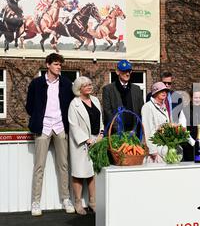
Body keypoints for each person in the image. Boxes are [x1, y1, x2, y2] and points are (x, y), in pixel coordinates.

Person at [25, 53, 75, 216]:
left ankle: (66, 199)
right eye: (55, 64)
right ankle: (36, 202)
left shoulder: (67, 84)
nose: (59, 67)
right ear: (47, 65)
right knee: (39, 166)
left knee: (64, 165)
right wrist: (39, 118)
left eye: (60, 64)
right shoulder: (37, 83)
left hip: (60, 127)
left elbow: (71, 105)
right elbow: (29, 106)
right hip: (43, 127)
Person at [68, 76, 103, 215]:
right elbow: (73, 125)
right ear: (79, 89)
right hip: (82, 143)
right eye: (86, 85)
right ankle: (78, 202)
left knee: (92, 172)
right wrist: (86, 140)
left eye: (90, 84)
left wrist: (101, 134)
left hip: (96, 139)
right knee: (79, 173)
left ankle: (93, 202)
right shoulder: (74, 104)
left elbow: (100, 119)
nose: (90, 86)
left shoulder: (95, 100)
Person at [102, 60, 144, 133]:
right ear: (117, 72)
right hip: (116, 133)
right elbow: (108, 112)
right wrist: (118, 129)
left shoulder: (136, 89)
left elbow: (141, 110)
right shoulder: (108, 89)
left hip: (134, 132)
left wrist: (136, 129)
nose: (127, 74)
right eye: (124, 71)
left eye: (129, 71)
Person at [142, 82, 171, 162]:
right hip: (154, 152)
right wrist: (152, 151)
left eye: (165, 91)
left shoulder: (163, 106)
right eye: (161, 91)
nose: (164, 93)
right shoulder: (148, 107)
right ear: (155, 93)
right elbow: (147, 129)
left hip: (164, 148)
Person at [178, 87, 200, 161]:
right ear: (191, 98)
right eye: (195, 97)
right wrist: (194, 143)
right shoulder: (184, 111)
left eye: (199, 97)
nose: (198, 100)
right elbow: (183, 130)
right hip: (189, 147)